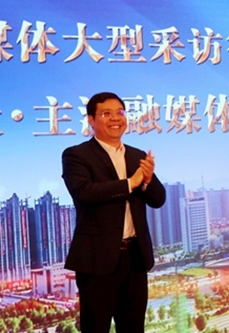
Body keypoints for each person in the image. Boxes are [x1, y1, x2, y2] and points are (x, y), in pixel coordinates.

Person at [62, 92, 166, 333]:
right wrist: (130, 183)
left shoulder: (137, 155)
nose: (115, 119)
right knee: (96, 327)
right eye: (106, 114)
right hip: (97, 259)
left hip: (135, 257)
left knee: (133, 328)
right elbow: (84, 192)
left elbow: (158, 199)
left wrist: (147, 180)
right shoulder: (76, 155)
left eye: (119, 113)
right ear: (91, 120)